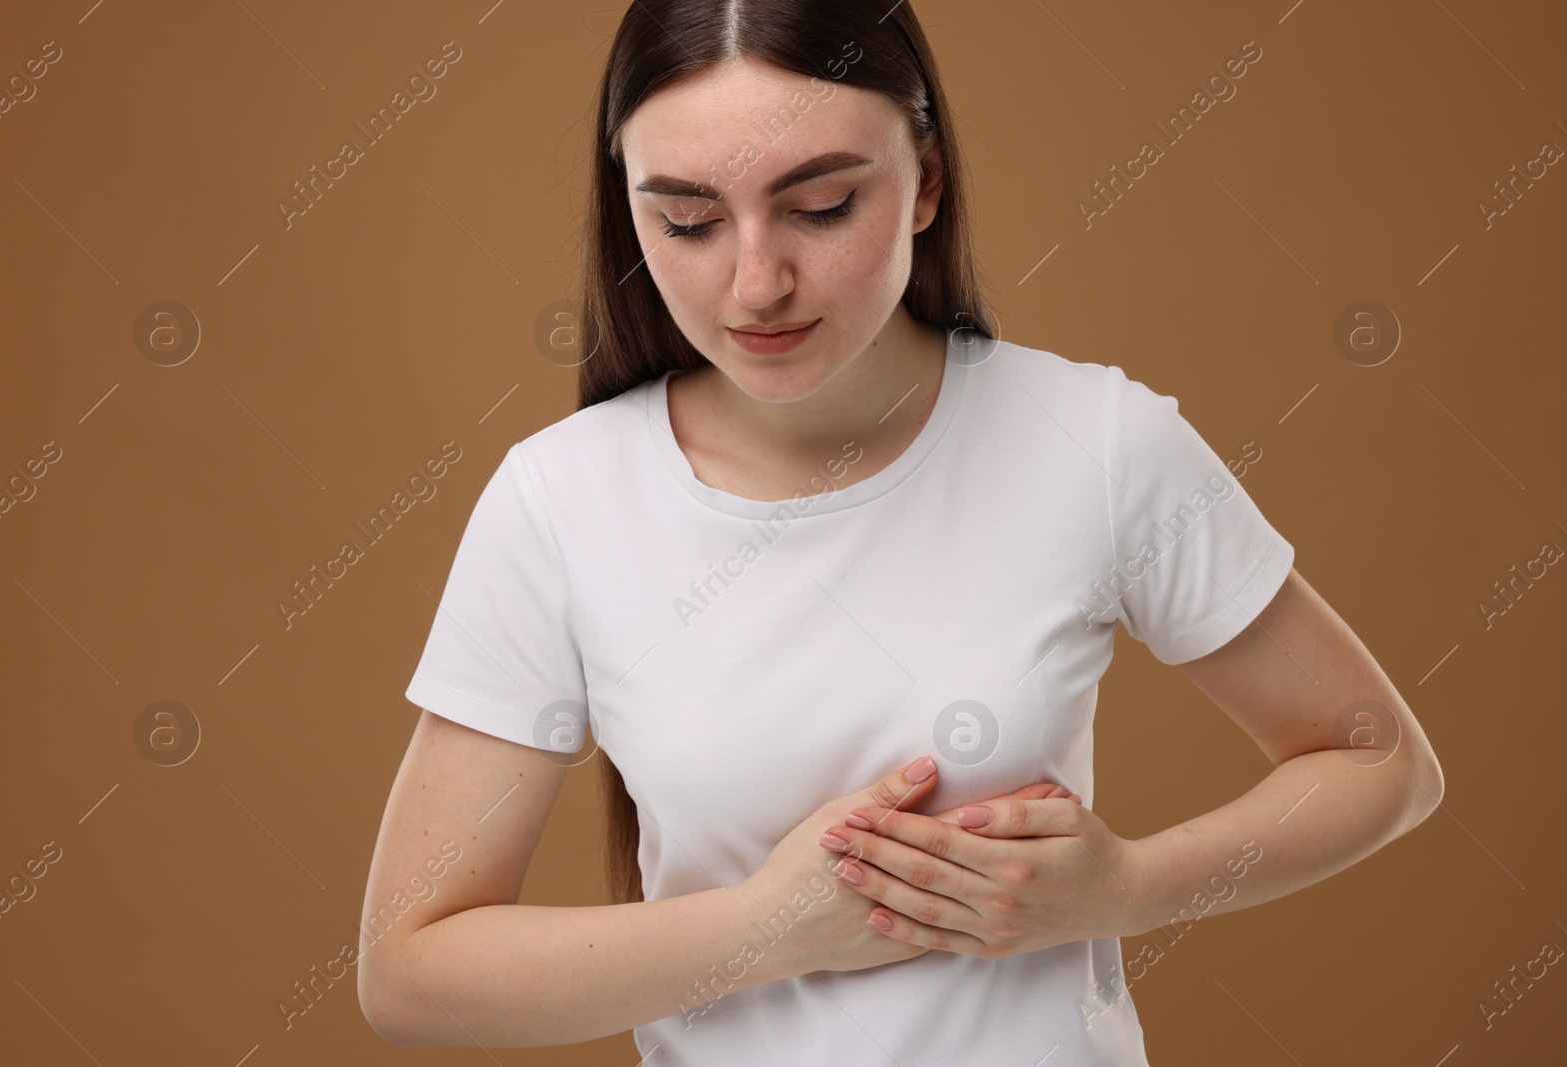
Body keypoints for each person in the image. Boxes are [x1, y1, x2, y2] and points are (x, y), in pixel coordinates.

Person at [356, 2, 1445, 1063]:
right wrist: (771, 926)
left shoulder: (1095, 441)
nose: (756, 282)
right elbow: (411, 966)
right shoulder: (562, 499)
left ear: (925, 181)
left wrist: (1126, 887)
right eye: (685, 220)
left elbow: (1380, 760)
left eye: (821, 205)